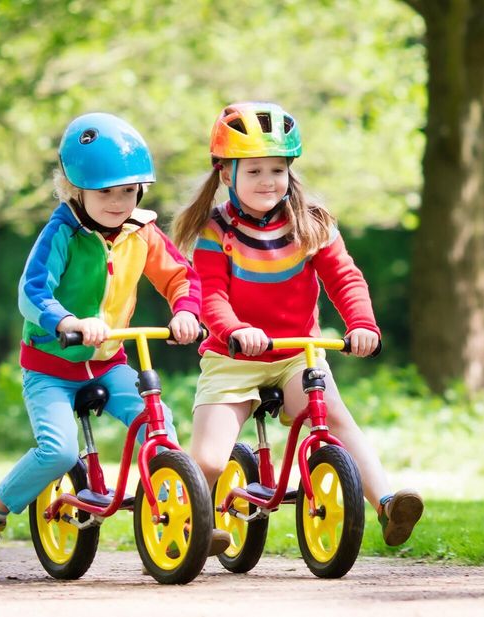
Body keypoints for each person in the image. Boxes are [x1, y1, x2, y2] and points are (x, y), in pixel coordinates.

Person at [0, 112, 229, 577]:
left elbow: (181, 275)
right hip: (51, 366)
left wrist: (185, 311)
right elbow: (32, 291)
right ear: (72, 188)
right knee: (59, 452)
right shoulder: (61, 233)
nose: (118, 202)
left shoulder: (141, 231)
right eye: (105, 192)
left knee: (159, 429)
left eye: (128, 191)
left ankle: (176, 522)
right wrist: (67, 320)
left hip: (109, 361)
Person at [171, 101, 424, 547]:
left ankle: (385, 504)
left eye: (277, 170)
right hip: (234, 358)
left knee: (336, 421)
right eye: (253, 172)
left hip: (296, 353)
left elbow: (345, 278)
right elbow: (210, 295)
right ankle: (193, 525)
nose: (268, 181)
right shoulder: (217, 232)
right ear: (226, 174)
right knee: (209, 460)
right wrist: (234, 331)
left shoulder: (311, 224)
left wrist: (361, 324)